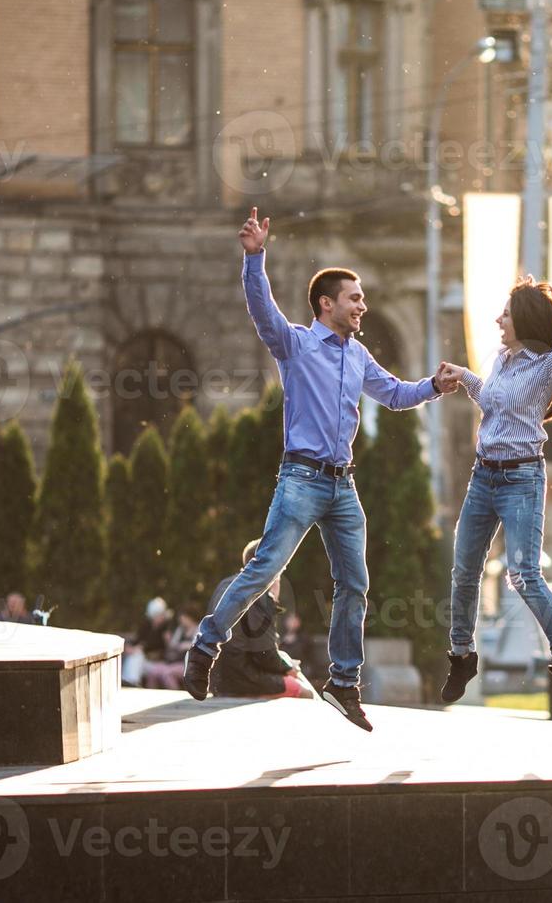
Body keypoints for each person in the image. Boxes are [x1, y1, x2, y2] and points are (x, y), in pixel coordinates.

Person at [183, 207, 455, 731]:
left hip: (343, 485)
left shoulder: (358, 356)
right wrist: (256, 258)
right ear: (326, 304)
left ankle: (344, 684)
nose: (363, 306)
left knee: (355, 582)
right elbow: (263, 311)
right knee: (263, 570)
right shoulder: (297, 345)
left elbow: (395, 394)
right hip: (302, 479)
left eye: (363, 298)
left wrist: (434, 387)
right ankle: (205, 647)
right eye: (354, 298)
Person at [435, 266, 552, 715]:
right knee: (464, 571)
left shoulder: (546, 367)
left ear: (523, 320)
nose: (498, 321)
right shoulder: (501, 361)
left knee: (524, 574)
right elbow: (494, 404)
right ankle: (462, 657)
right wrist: (465, 375)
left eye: (505, 315)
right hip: (484, 477)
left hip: (521, 479)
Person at [207, 540, 317, 699]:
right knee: (306, 693)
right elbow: (265, 655)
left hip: (219, 680)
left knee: (286, 662)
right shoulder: (260, 594)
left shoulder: (225, 585)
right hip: (243, 680)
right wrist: (288, 667)